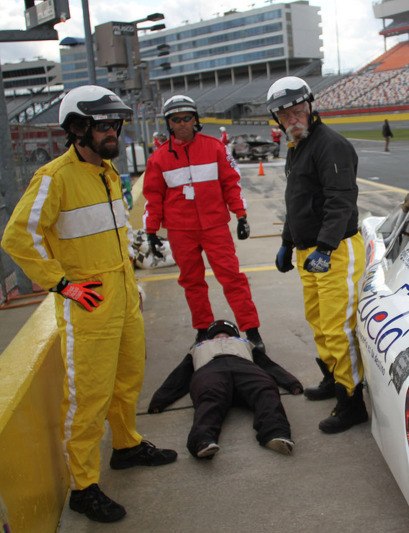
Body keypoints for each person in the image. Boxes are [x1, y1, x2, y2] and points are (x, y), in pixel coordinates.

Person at [1, 85, 177, 524]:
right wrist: (63, 284)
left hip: (122, 296)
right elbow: (18, 238)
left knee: (127, 379)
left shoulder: (109, 172)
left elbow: (113, 234)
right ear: (78, 129)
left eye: (115, 124)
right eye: (103, 126)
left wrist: (130, 285)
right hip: (89, 306)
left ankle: (126, 445)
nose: (112, 132)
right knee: (87, 397)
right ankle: (83, 487)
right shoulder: (54, 178)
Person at [266, 76, 368, 434]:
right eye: (285, 115)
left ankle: (352, 400)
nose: (292, 119)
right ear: (277, 120)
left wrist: (325, 247)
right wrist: (287, 241)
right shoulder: (297, 146)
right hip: (308, 251)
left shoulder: (330, 145)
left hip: (335, 250)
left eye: (297, 111)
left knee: (339, 328)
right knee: (319, 322)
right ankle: (332, 377)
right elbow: (297, 201)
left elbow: (341, 200)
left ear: (310, 107)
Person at [142, 95, 265, 350]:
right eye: (176, 119)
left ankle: (252, 331)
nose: (182, 123)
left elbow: (231, 183)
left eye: (187, 118)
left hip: (215, 226)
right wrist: (151, 232)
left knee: (232, 278)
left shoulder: (215, 147)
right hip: (180, 231)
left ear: (195, 119)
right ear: (169, 123)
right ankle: (202, 331)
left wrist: (241, 215)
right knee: (192, 283)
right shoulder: (159, 158)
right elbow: (153, 197)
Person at [148, 320, 302, 458]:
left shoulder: (245, 343)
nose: (222, 337)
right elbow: (180, 375)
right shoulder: (198, 348)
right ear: (210, 338)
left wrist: (291, 383)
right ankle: (202, 441)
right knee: (209, 397)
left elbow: (268, 365)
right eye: (217, 335)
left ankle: (276, 433)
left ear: (234, 336)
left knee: (265, 389)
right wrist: (160, 400)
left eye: (226, 335)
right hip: (210, 369)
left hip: (244, 367)